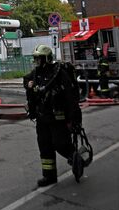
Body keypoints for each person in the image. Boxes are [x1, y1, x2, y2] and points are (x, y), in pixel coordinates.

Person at [24, 44, 82, 187]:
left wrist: (73, 118)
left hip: (58, 117)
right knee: (44, 146)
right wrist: (28, 85)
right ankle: (49, 176)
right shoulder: (36, 73)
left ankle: (75, 158)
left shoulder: (58, 73)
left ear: (47, 59)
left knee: (60, 143)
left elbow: (70, 97)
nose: (37, 61)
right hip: (42, 117)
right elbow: (26, 79)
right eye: (35, 58)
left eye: (39, 58)